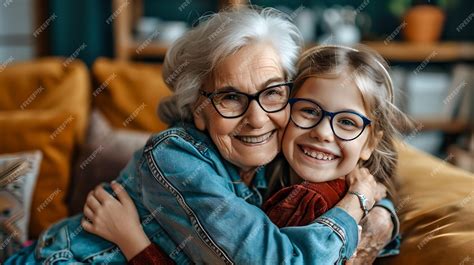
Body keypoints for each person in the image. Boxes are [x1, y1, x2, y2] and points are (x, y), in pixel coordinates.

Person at [5, 8, 396, 265]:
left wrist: (382, 216)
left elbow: (356, 180)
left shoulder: (281, 151)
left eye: (273, 92)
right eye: (230, 97)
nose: (257, 118)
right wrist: (357, 204)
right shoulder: (174, 157)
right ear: (197, 108)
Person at [83, 45, 406, 265]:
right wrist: (366, 203)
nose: (323, 132)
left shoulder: (309, 198)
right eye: (308, 111)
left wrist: (134, 243)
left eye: (347, 122)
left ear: (369, 144)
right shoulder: (270, 163)